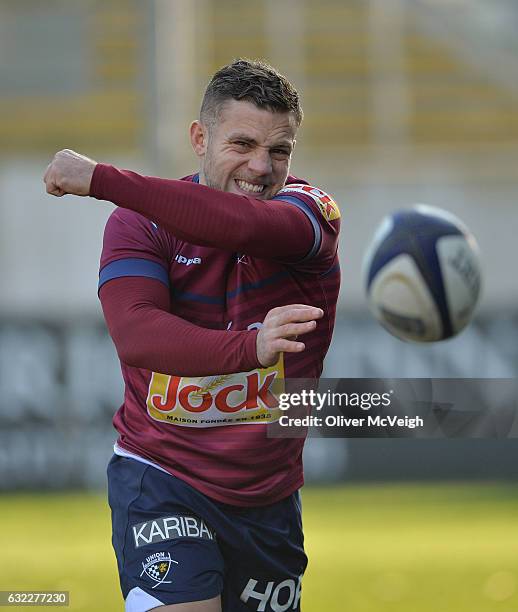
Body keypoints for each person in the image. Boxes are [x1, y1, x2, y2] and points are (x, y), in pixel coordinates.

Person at [44, 59, 341, 612]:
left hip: (266, 496)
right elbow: (136, 335)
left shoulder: (312, 214)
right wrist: (250, 349)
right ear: (199, 138)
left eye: (279, 151)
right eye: (243, 144)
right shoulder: (138, 224)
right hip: (162, 474)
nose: (260, 167)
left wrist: (105, 180)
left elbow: (244, 223)